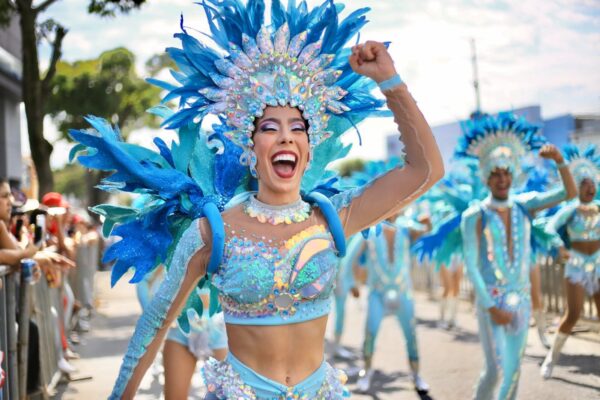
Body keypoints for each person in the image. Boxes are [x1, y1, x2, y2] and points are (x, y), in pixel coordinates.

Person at [69, 1, 444, 398]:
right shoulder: (213, 231)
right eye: (270, 127)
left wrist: (390, 82)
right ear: (250, 146)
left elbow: (426, 171)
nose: (285, 137)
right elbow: (155, 322)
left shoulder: (334, 216)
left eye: (297, 127)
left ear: (310, 145)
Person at [458, 113, 576, 400]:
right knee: (495, 370)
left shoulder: (525, 206)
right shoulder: (474, 215)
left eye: (506, 172)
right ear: (486, 177)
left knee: (514, 371)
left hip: (521, 300)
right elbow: (472, 266)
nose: (502, 179)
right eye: (495, 174)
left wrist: (560, 161)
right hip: (493, 302)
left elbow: (568, 194)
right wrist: (489, 306)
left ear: (513, 173)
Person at [540, 144, 600, 379]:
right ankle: (551, 359)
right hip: (576, 264)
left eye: (593, 183)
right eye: (585, 184)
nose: (590, 187)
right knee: (573, 314)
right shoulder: (570, 210)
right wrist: (559, 246)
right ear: (577, 185)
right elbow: (549, 227)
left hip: (598, 263)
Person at [355, 214, 429, 394]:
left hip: (403, 292)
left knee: (410, 333)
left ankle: (416, 374)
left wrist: (428, 224)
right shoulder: (369, 231)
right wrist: (354, 281)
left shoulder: (406, 229)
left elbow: (426, 232)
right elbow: (353, 256)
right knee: (370, 330)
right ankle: (367, 371)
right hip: (377, 293)